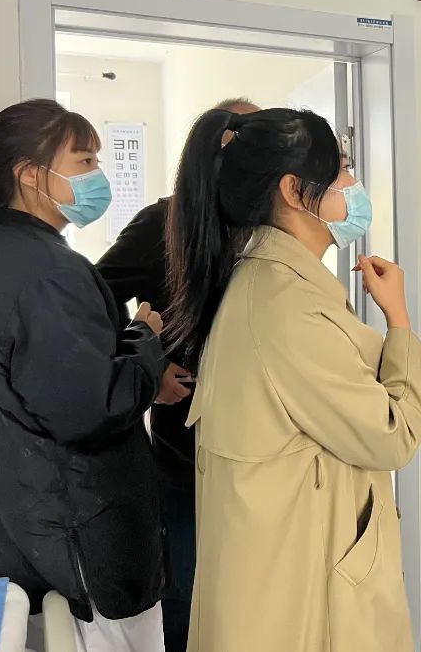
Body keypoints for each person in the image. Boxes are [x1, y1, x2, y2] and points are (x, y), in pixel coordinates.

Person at [165, 106, 421, 652]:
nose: (352, 185)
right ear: (292, 190)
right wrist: (400, 321)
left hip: (283, 573)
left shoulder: (270, 284)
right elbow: (392, 435)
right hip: (301, 594)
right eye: (341, 170)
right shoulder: (287, 307)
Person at [0, 100, 167, 651]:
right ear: (30, 175)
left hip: (24, 534)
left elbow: (59, 374)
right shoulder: (46, 273)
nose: (98, 175)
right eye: (84, 161)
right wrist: (146, 340)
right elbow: (91, 408)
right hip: (80, 546)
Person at [96, 96, 259, 652]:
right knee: (187, 591)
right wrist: (152, 364)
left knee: (251, 591)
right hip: (183, 452)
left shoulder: (263, 229)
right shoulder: (160, 224)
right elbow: (92, 303)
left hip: (256, 447)